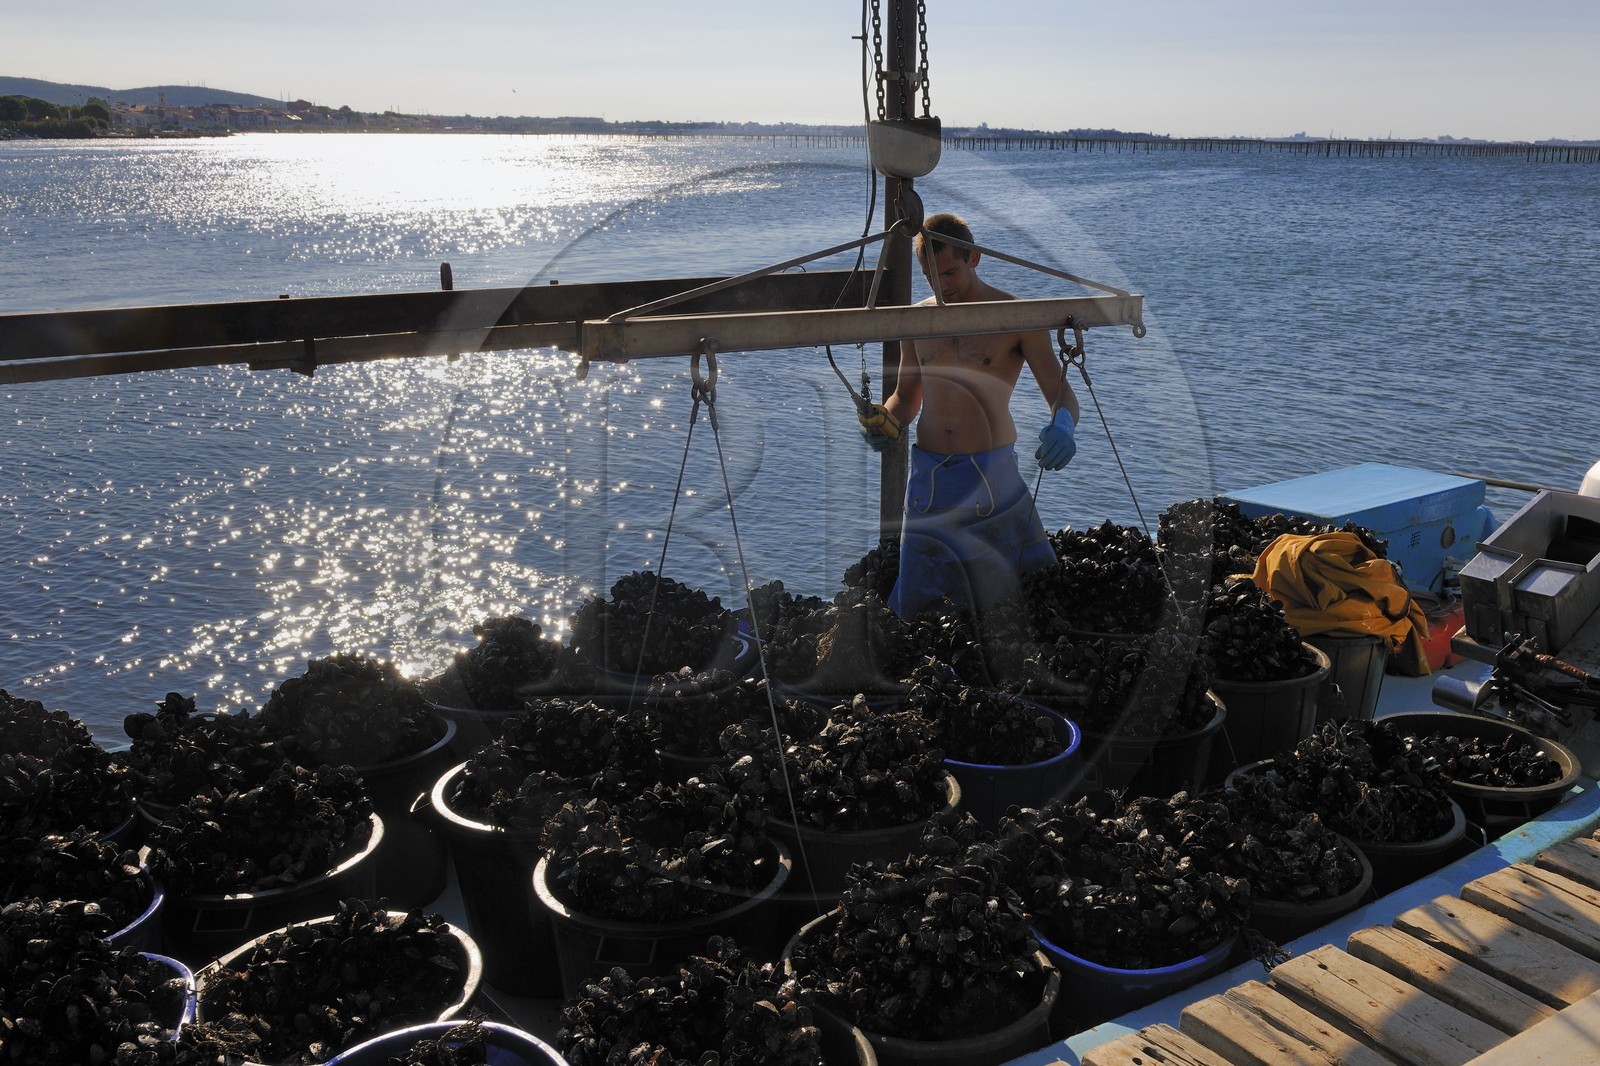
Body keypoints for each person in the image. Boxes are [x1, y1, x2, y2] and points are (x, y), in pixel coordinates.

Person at [858, 212, 1079, 619]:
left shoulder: (1016, 316)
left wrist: (1063, 425)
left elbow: (1061, 392)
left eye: (951, 272)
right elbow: (907, 397)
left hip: (992, 475)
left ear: (974, 258)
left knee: (1021, 601)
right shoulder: (916, 320)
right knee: (920, 608)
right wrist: (885, 420)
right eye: (931, 277)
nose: (943, 286)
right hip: (929, 481)